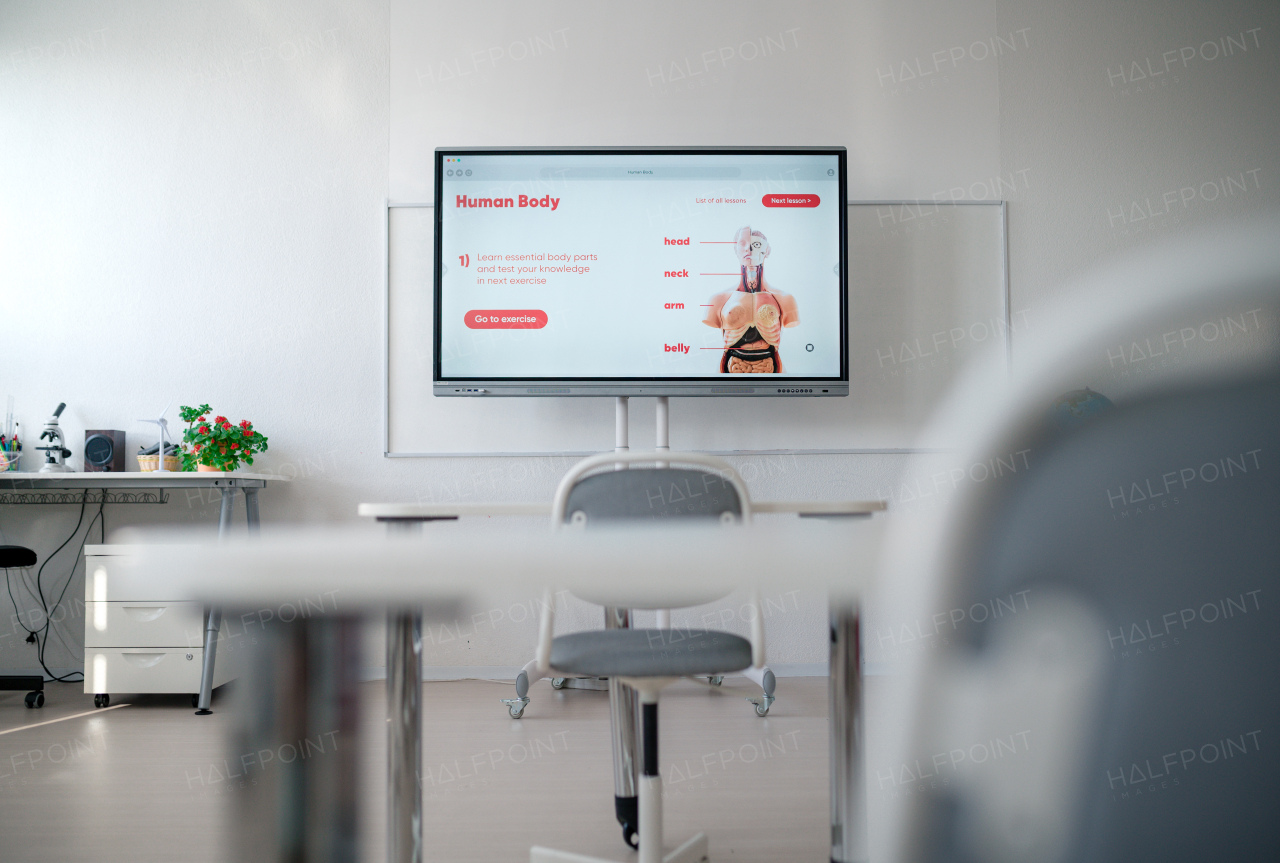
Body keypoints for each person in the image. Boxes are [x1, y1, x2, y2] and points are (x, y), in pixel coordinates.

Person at [702, 226, 799, 373]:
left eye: (756, 244)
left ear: (767, 251)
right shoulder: (718, 300)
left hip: (770, 366)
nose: (749, 249)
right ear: (736, 250)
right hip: (732, 367)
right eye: (743, 244)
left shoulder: (785, 299)